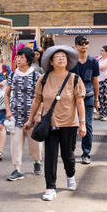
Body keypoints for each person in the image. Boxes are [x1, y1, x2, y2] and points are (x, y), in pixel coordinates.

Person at [24, 45, 86, 201]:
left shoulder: (74, 79)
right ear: (51, 61)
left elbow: (80, 103)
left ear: (68, 60)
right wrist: (30, 119)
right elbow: (37, 100)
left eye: (63, 57)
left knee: (68, 155)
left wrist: (83, 123)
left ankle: (70, 175)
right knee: (50, 156)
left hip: (69, 123)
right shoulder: (44, 78)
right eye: (57, 57)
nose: (61, 59)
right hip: (49, 123)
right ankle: (50, 188)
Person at [4, 47, 42, 181]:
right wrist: (8, 110)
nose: (18, 59)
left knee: (34, 143)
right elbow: (6, 94)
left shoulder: (36, 75)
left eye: (21, 57)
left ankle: (37, 161)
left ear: (28, 59)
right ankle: (17, 169)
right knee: (15, 142)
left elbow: (40, 96)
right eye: (17, 57)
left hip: (32, 116)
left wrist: (38, 113)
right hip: (16, 114)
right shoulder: (13, 74)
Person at [71, 35, 99, 165]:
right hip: (71, 98)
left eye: (85, 43)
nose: (83, 45)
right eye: (80, 43)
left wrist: (97, 99)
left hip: (88, 97)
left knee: (87, 125)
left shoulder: (93, 62)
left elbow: (95, 81)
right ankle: (70, 151)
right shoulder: (71, 62)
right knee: (71, 125)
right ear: (76, 46)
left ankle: (86, 153)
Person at [96, 45, 107, 121]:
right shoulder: (99, 58)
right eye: (101, 50)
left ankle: (106, 115)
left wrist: (95, 64)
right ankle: (101, 114)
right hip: (98, 80)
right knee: (99, 98)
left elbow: (101, 67)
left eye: (102, 50)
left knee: (104, 97)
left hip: (105, 80)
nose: (101, 51)